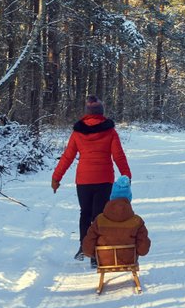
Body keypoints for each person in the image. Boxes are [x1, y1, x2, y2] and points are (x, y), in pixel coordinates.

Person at [52, 96, 132, 264]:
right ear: (101, 113)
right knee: (99, 216)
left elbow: (67, 157)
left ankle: (84, 247)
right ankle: (96, 254)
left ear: (87, 113)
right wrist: (126, 176)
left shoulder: (78, 132)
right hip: (104, 179)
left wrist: (56, 178)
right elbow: (119, 156)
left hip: (84, 180)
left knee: (85, 213)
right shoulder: (110, 131)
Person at [81, 176, 150, 268]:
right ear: (129, 198)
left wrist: (94, 254)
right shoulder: (137, 221)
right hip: (129, 260)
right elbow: (143, 249)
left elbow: (88, 247)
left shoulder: (99, 220)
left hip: (104, 261)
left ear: (111, 197)